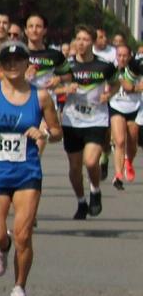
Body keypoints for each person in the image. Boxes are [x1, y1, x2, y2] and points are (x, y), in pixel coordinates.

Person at [0, 40, 60, 296]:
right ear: (0, 65)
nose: (12, 65)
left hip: (26, 171)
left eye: (17, 60)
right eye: (6, 61)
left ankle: (19, 288)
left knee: (24, 234)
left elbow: (56, 132)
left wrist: (42, 132)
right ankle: (2, 246)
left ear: (27, 64)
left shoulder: (40, 96)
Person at [51, 27, 116, 218]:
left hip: (96, 119)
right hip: (72, 120)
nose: (81, 43)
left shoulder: (104, 65)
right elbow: (53, 88)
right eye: (78, 39)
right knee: (74, 168)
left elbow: (116, 82)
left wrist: (109, 94)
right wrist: (64, 89)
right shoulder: (66, 66)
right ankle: (81, 201)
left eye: (86, 39)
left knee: (90, 161)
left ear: (93, 42)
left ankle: (95, 190)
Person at [109, 39, 141, 187]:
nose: (121, 58)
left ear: (129, 56)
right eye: (119, 55)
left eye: (124, 56)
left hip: (134, 108)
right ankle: (118, 175)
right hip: (116, 106)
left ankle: (128, 161)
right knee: (120, 141)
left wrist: (135, 88)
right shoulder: (111, 69)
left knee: (132, 143)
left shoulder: (136, 69)